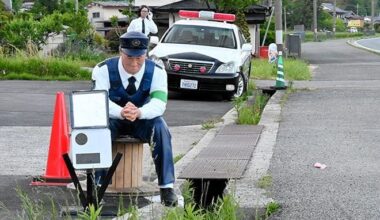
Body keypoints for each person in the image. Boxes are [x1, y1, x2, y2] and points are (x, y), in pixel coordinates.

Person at [91, 31, 177, 207]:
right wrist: (122, 112)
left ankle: (166, 187)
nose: (135, 62)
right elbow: (98, 101)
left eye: (140, 57)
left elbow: (159, 103)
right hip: (113, 118)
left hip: (142, 120)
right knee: (100, 129)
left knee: (161, 128)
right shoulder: (103, 70)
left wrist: (139, 112)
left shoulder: (158, 72)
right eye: (129, 57)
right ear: (121, 51)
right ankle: (96, 187)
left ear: (146, 54)